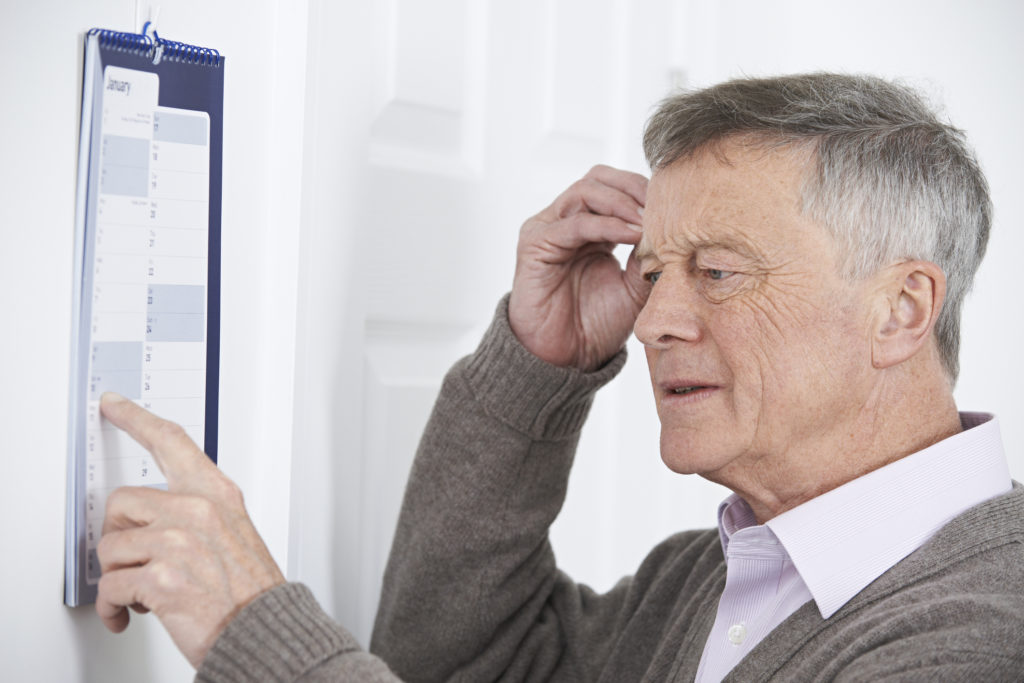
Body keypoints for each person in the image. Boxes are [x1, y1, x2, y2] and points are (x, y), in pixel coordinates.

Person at [95, 73, 1024, 682]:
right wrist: (538, 371)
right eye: (654, 270)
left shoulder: (985, 634)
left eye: (720, 271)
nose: (655, 318)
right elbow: (457, 663)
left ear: (902, 308)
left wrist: (256, 629)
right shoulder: (709, 579)